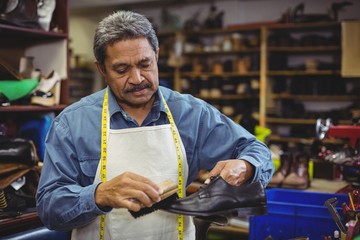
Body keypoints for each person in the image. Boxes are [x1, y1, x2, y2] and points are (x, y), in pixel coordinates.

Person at [36, 10, 274, 240]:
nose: (137, 78)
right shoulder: (72, 123)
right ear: (102, 70)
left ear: (157, 56)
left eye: (145, 64)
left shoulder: (192, 114)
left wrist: (245, 166)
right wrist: (99, 195)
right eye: (122, 69)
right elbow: (49, 208)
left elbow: (258, 152)